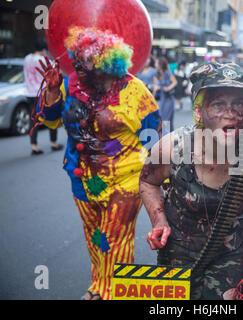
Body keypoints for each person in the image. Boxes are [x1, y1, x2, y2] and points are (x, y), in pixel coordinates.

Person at [34, 27, 161, 300]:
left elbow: (154, 139)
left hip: (125, 181)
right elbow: (49, 121)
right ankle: (99, 285)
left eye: (85, 61)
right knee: (95, 237)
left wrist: (163, 181)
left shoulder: (135, 91)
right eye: (76, 59)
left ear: (106, 63)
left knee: (116, 239)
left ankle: (116, 293)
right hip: (82, 178)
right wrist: (53, 93)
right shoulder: (69, 85)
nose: (77, 65)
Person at [139, 62, 243, 300]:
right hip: (179, 251)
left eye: (238, 103)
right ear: (198, 112)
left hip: (235, 253)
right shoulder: (173, 147)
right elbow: (148, 182)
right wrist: (159, 220)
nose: (232, 113)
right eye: (219, 104)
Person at [24, 39, 63, 155]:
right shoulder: (42, 60)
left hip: (29, 93)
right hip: (42, 93)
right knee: (51, 115)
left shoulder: (26, 58)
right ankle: (53, 143)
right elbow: (54, 72)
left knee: (34, 120)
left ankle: (34, 145)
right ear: (44, 49)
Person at [153, 57, 177, 132]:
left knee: (166, 119)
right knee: (163, 117)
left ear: (160, 64)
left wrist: (168, 88)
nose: (155, 65)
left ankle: (166, 136)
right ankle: (169, 136)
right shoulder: (156, 75)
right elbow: (156, 86)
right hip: (162, 99)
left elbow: (175, 82)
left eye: (156, 63)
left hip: (169, 98)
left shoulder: (167, 73)